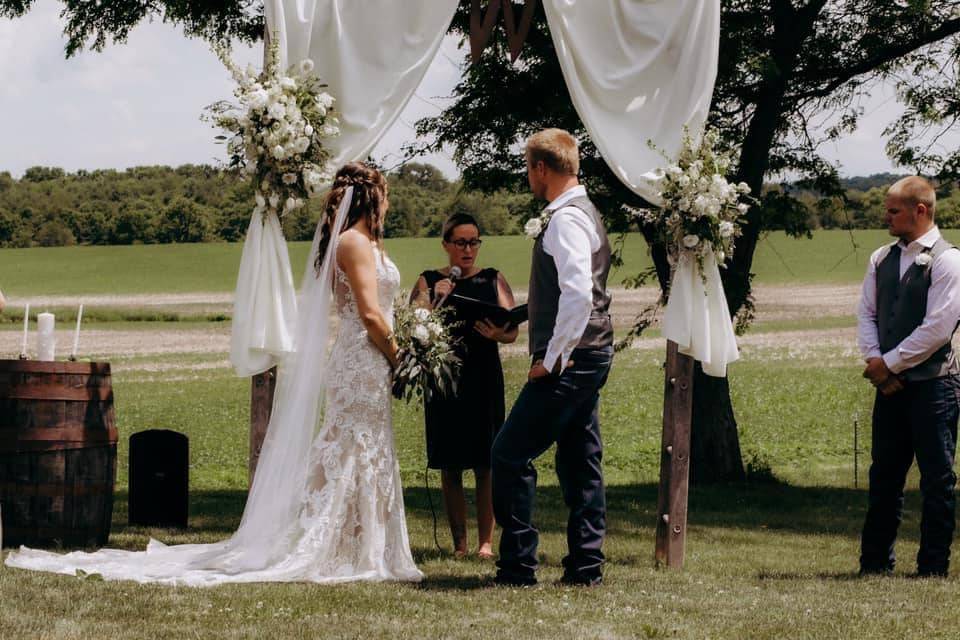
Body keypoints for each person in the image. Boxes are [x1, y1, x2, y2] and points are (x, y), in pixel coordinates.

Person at [5, 162, 423, 585]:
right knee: (352, 446)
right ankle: (334, 545)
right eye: (386, 194)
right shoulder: (352, 242)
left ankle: (357, 544)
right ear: (374, 195)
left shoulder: (367, 242)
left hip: (370, 360)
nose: (388, 202)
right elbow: (370, 313)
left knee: (363, 446)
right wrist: (400, 355)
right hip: (363, 358)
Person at [491, 128, 614, 587]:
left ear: (541, 168)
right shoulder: (582, 211)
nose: (528, 177)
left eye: (528, 168)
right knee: (581, 461)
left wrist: (554, 358)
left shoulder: (564, 219)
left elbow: (579, 293)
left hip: (574, 359)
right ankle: (585, 567)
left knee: (508, 454)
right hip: (593, 352)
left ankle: (518, 565)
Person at [857, 176, 960, 578]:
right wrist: (876, 365)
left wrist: (890, 364)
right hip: (890, 387)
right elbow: (866, 314)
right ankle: (875, 563)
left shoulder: (949, 261)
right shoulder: (881, 257)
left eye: (893, 210)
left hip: (936, 386)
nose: (886, 215)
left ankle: (933, 566)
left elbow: (937, 328)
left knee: (937, 479)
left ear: (921, 210)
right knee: (884, 475)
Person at [411, 213, 517, 559]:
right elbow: (414, 326)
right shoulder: (428, 281)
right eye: (461, 242)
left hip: (484, 377)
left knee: (486, 462)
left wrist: (498, 333)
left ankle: (486, 542)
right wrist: (435, 300)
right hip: (444, 379)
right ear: (446, 245)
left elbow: (512, 329)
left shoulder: (493, 279)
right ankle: (460, 543)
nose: (468, 249)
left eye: (474, 242)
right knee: (450, 462)